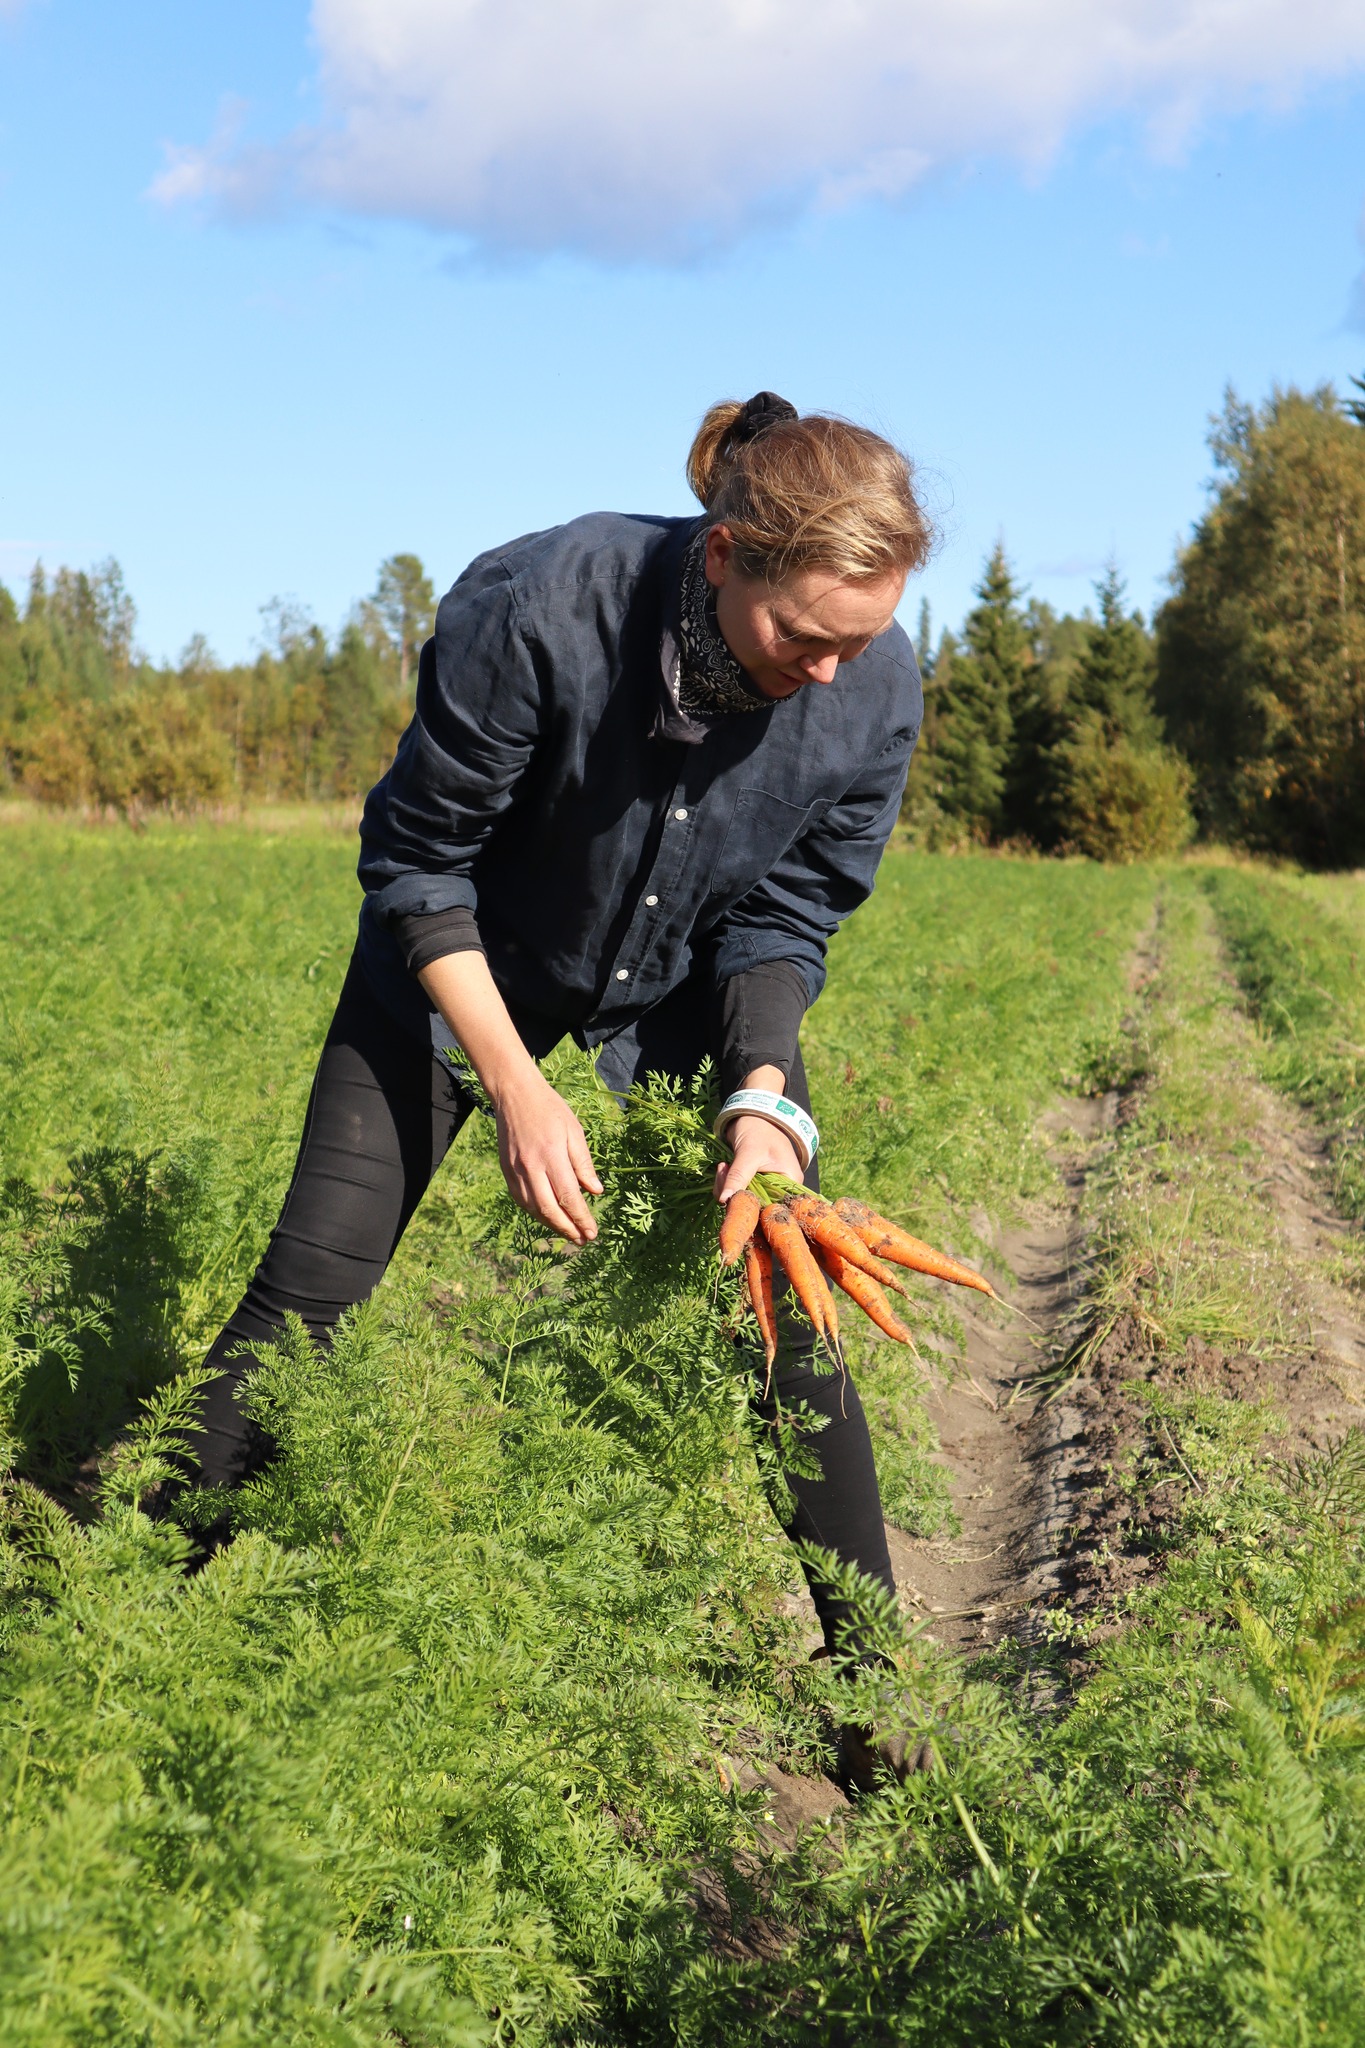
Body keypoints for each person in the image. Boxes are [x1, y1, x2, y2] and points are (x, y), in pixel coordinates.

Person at [187, 391, 931, 1783]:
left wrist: (762, 1098)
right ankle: (145, 1598)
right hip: (462, 961)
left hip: (684, 985)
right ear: (722, 556)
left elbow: (783, 920)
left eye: (860, 638)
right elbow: (416, 863)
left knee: (790, 1315)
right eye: (803, 637)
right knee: (309, 1292)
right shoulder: (540, 606)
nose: (831, 672)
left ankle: (878, 1695)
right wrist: (519, 1086)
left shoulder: (868, 687)